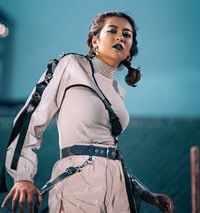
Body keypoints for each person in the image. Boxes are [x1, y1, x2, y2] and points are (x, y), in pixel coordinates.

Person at [1, 11, 174, 213]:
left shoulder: (118, 91)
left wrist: (145, 193)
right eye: (112, 31)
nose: (120, 37)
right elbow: (30, 118)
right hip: (78, 181)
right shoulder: (71, 65)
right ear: (94, 42)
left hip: (118, 190)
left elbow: (109, 151)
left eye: (127, 34)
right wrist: (22, 176)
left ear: (129, 51)